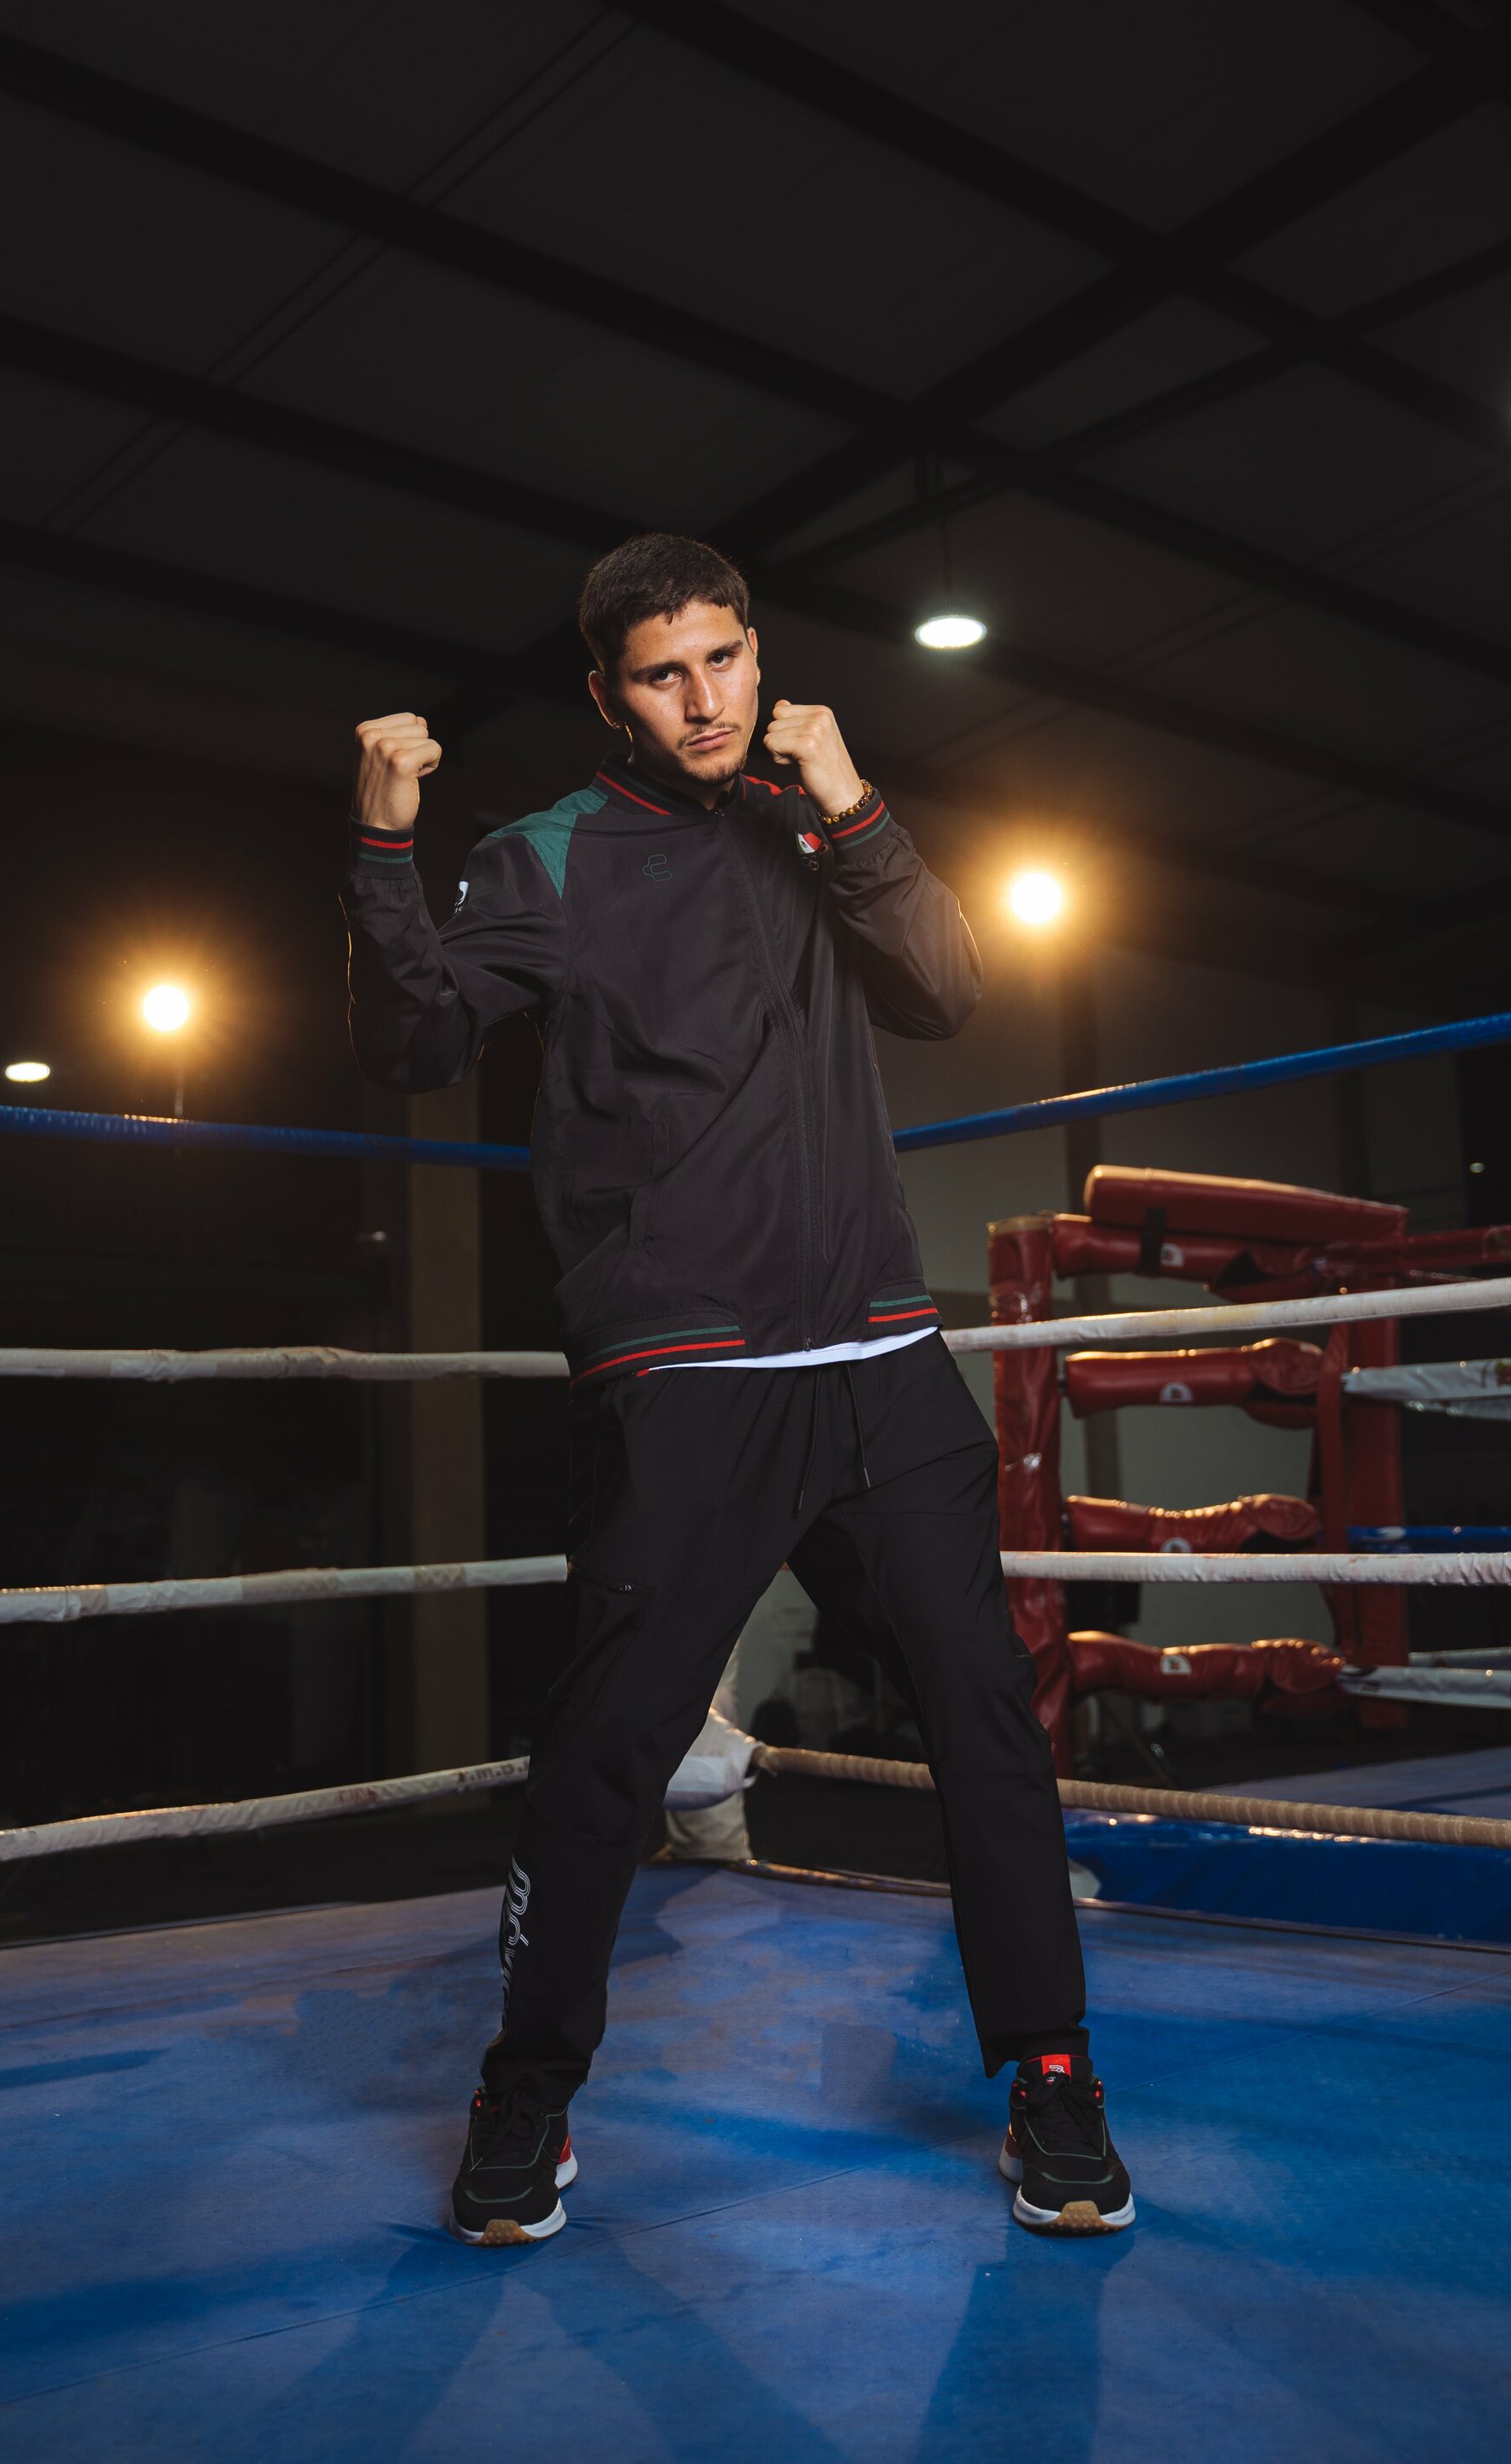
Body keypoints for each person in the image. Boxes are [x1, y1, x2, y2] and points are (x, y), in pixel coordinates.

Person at [341, 533, 1133, 2244]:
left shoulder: (806, 823)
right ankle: (526, 2095)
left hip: (883, 1359)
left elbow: (947, 985)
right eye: (663, 674)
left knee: (988, 1722)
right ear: (607, 694)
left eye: (725, 661)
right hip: (690, 1376)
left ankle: (1054, 2075)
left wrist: (855, 803)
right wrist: (384, 845)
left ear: (762, 662)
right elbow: (412, 1044)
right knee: (607, 1752)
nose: (703, 701)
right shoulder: (546, 854)